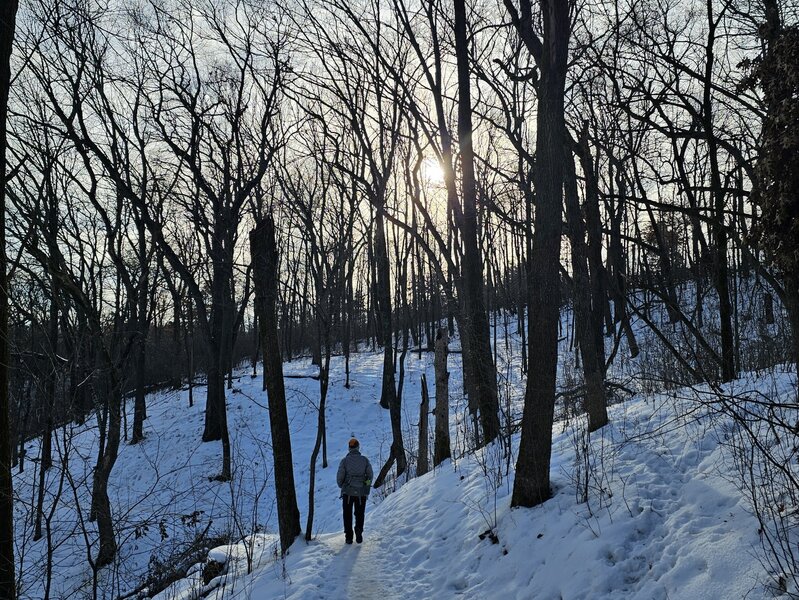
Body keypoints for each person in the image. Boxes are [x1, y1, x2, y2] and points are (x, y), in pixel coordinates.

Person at [336, 437, 373, 544]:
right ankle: (359, 532)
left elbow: (340, 477)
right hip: (361, 493)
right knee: (360, 513)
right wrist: (366, 486)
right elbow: (370, 475)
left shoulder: (344, 461)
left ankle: (348, 537)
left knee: (347, 514)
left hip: (348, 492)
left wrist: (342, 486)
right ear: (358, 447)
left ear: (349, 448)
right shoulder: (365, 460)